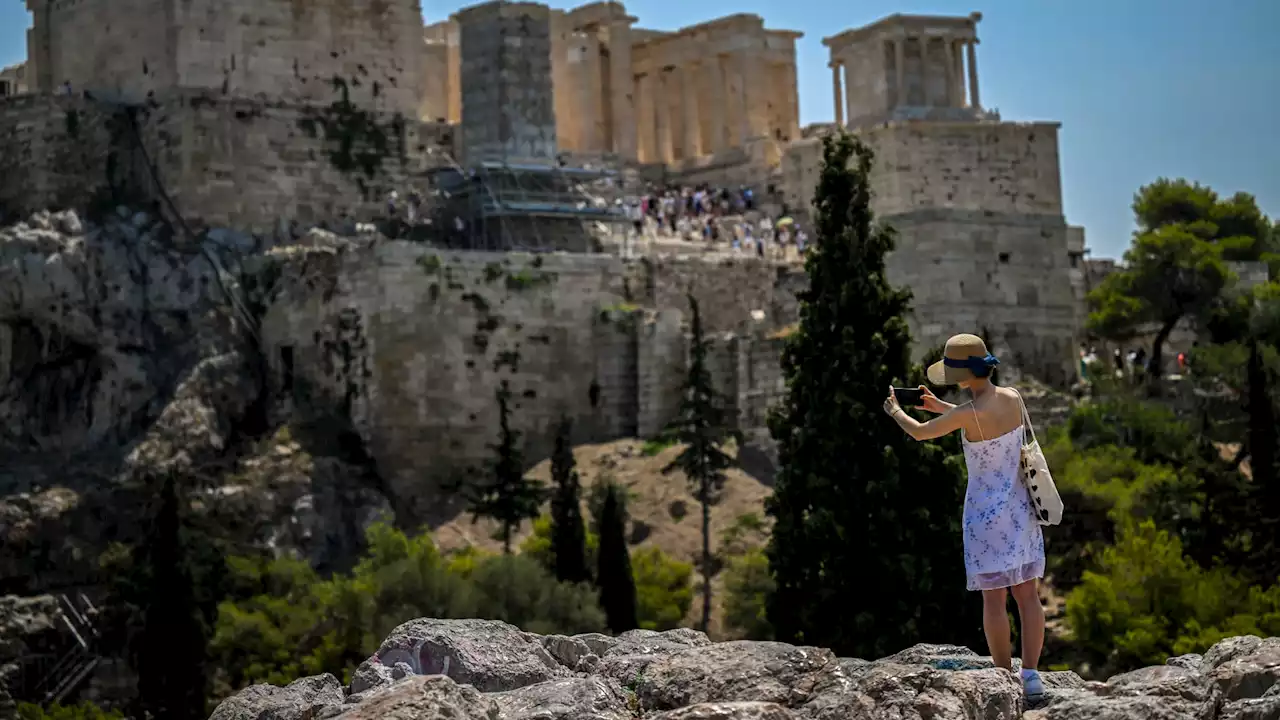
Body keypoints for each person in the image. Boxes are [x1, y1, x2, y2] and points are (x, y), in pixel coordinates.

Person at [882, 333, 1046, 704]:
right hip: (1020, 509)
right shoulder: (1014, 398)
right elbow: (979, 418)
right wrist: (941, 406)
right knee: (1028, 596)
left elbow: (921, 433)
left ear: (960, 373)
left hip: (985, 517)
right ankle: (1032, 676)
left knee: (993, 600)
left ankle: (1004, 676)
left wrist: (896, 410)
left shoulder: (967, 414)